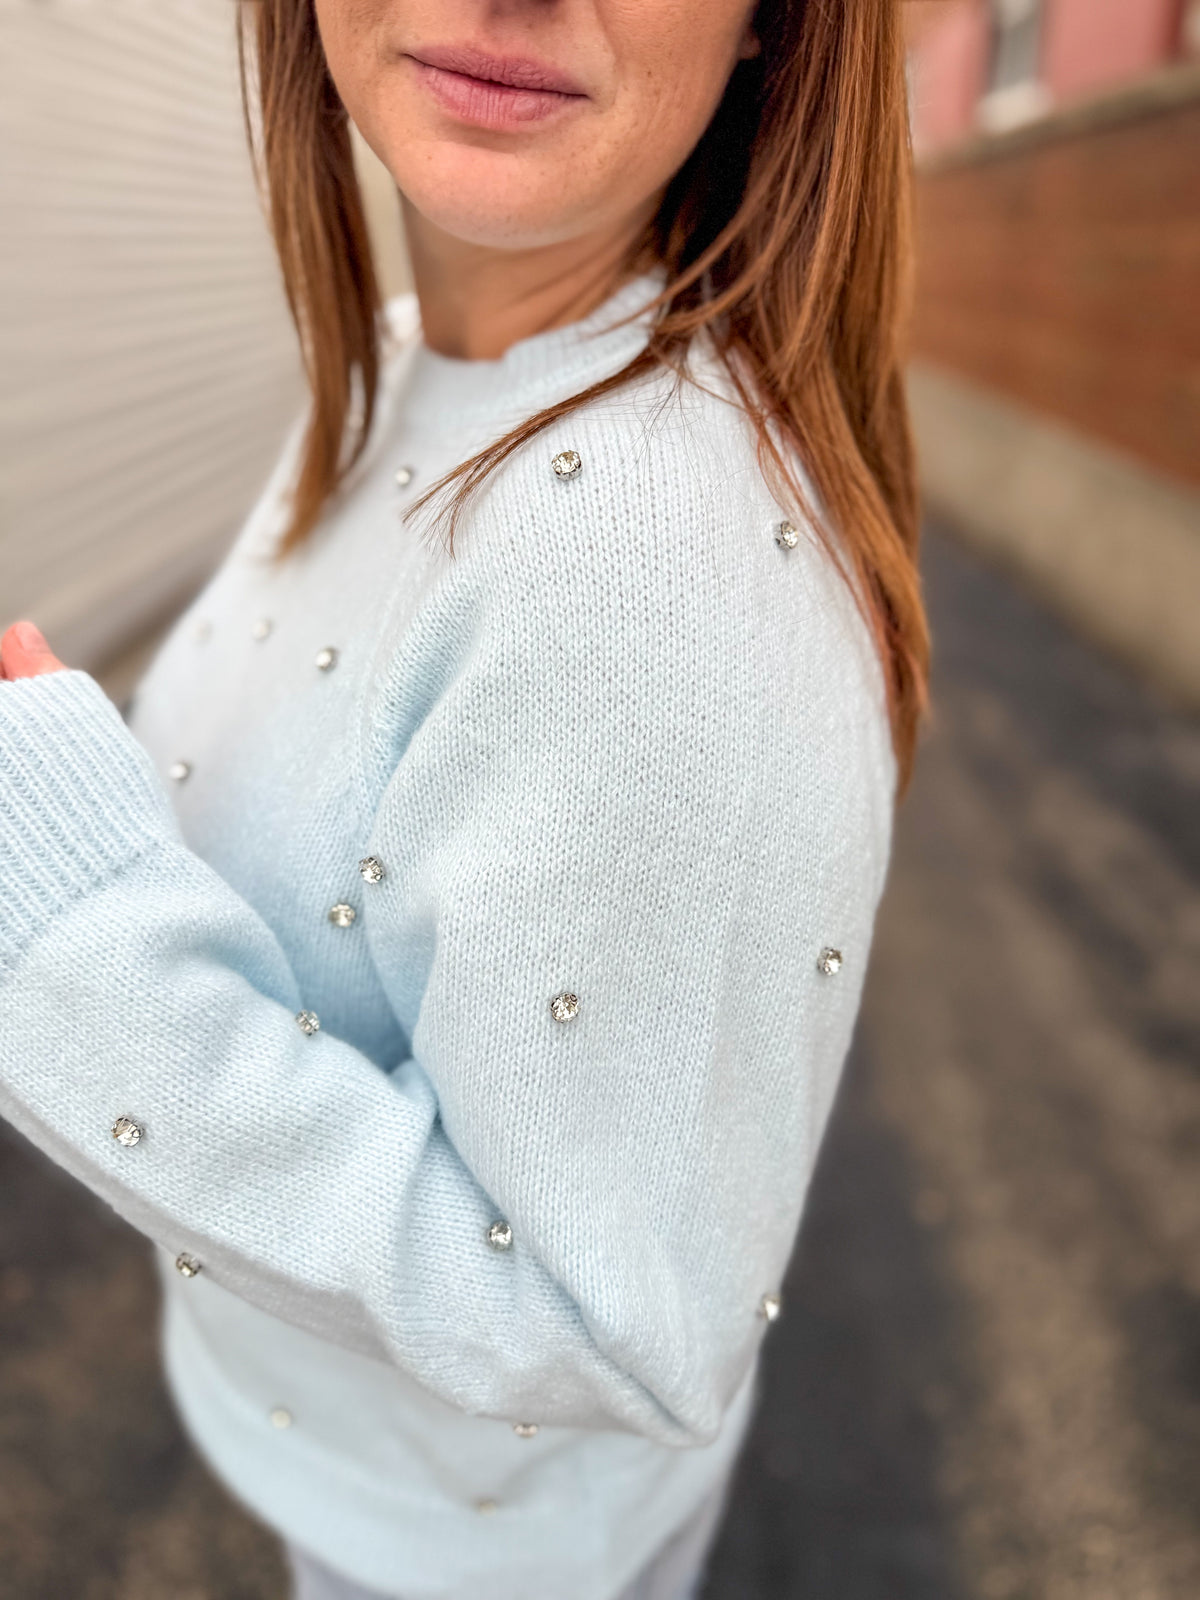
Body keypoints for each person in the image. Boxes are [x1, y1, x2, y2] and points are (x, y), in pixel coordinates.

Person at [0, 1, 928, 1596]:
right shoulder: (413, 373)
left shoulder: (644, 558)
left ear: (776, 21)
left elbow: (604, 1321)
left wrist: (61, 911)